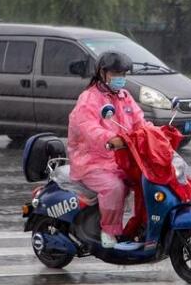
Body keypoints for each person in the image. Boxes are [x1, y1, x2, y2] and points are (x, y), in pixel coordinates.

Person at [68, 51, 150, 249]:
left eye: (123, 73)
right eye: (115, 73)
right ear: (102, 73)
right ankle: (109, 231)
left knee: (148, 180)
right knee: (114, 187)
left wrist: (154, 133)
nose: (120, 78)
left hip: (121, 159)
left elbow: (140, 121)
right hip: (92, 162)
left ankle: (144, 226)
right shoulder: (89, 99)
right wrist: (111, 140)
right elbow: (89, 128)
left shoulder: (124, 96)